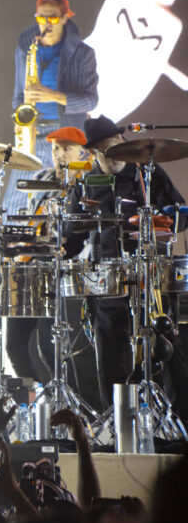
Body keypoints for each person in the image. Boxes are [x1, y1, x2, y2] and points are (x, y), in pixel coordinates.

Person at [66, 116, 184, 410]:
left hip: (150, 279)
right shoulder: (83, 185)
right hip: (106, 284)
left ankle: (173, 420)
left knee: (166, 350)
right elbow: (70, 241)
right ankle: (116, 422)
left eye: (117, 145)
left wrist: (169, 216)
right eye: (107, 149)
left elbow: (182, 216)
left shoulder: (148, 173)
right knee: (110, 358)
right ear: (94, 152)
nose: (116, 153)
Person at [5, 127, 92, 385]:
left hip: (62, 271)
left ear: (81, 152)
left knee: (48, 347)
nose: (60, 154)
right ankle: (36, 404)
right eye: (56, 148)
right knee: (14, 346)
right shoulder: (41, 179)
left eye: (67, 149)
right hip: (30, 269)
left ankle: (64, 407)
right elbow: (33, 224)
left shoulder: (86, 184)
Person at [4, 0, 98, 213]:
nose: (47, 23)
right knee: (14, 205)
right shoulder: (25, 49)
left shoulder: (83, 53)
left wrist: (54, 96)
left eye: (53, 17)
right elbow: (19, 95)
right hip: (32, 135)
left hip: (68, 137)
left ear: (66, 17)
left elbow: (91, 100)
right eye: (42, 17)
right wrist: (21, 117)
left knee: (71, 201)